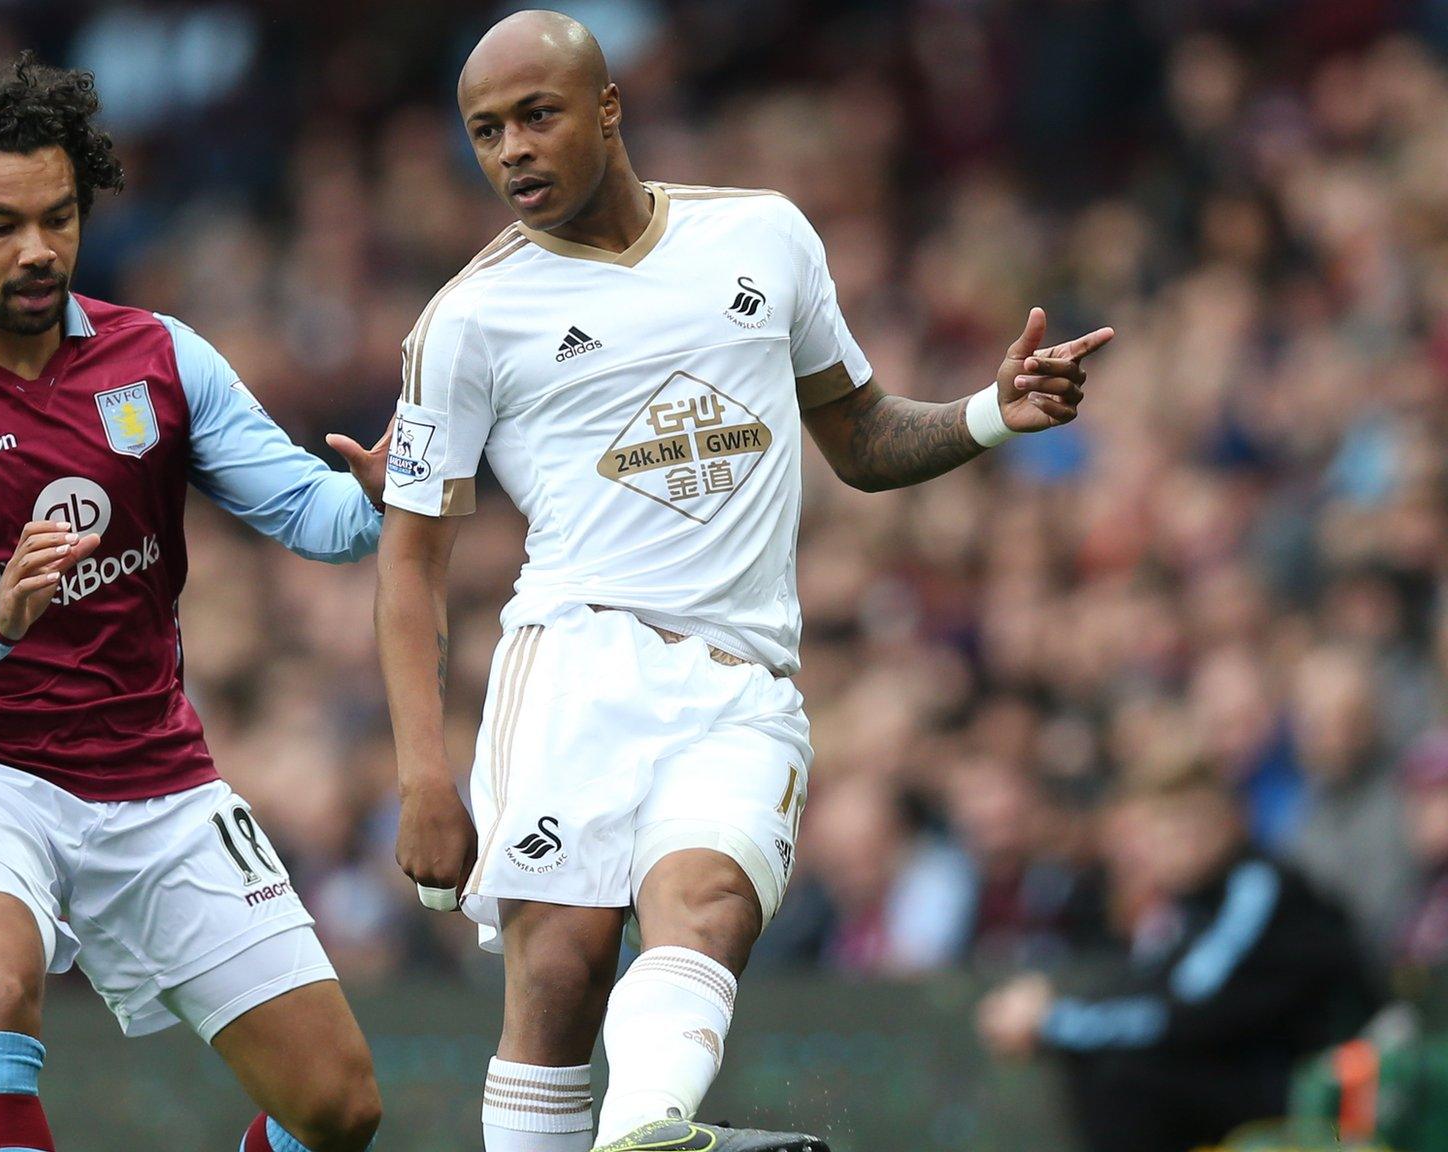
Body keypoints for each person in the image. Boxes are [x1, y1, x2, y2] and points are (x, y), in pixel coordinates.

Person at [372, 11, 1113, 1152]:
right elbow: (411, 555)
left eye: (536, 115)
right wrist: (424, 775)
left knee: (707, 907)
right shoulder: (467, 319)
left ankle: (648, 1133)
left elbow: (859, 437)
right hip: (576, 662)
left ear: (607, 108)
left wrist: (984, 414)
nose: (511, 148)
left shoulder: (762, 237)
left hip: (741, 674)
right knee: (561, 972)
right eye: (485, 131)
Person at [0, 56, 387, 1152]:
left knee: (338, 1110)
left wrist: (387, 494)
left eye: (58, 218)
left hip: (153, 774)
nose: (37, 250)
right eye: (3, 224)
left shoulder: (158, 357)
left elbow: (317, 519)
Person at [977, 764, 1381, 1152]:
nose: (1174, 842)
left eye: (1187, 823)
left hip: (1315, 1093)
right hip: (1247, 1072)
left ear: (1230, 817)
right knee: (1107, 1065)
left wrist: (1053, 1021)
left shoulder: (1257, 886)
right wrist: (1058, 1014)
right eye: (1161, 829)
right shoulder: (1190, 907)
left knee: (1125, 1076)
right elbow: (1148, 991)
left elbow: (1184, 1012)